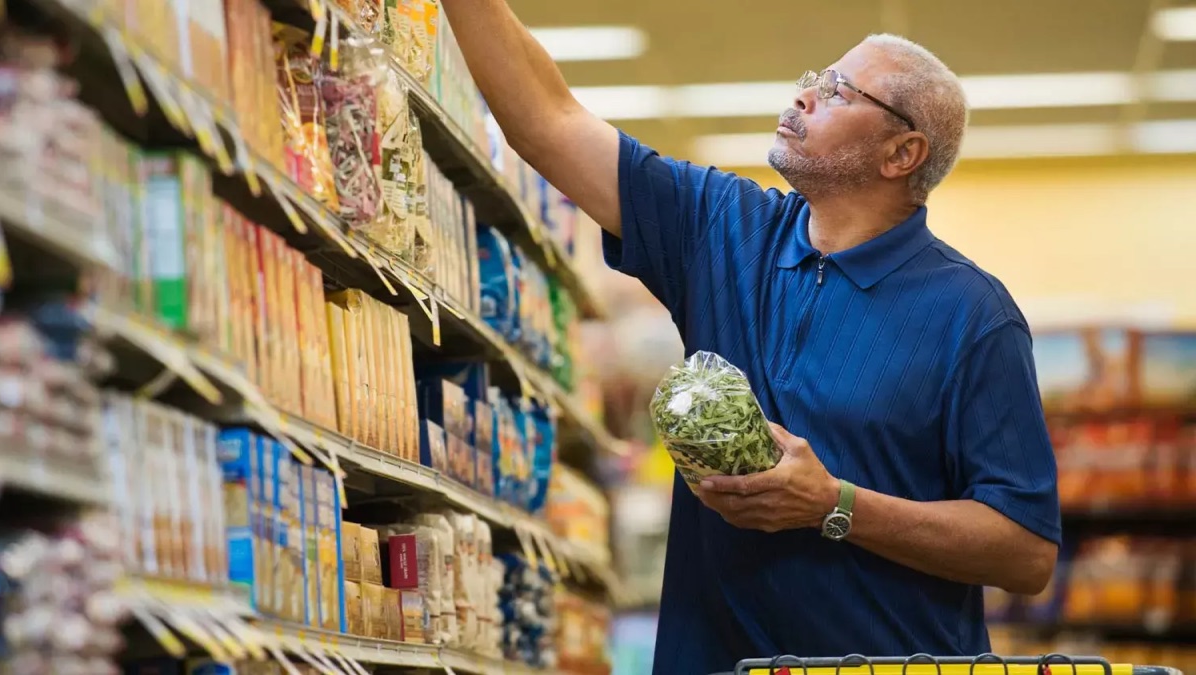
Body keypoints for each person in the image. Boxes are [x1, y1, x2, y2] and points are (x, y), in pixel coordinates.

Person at [437, 2, 1061, 671]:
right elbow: (548, 121)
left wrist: (835, 504)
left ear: (902, 153)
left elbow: (1025, 551)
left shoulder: (972, 313)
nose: (802, 95)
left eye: (836, 92)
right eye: (815, 78)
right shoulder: (723, 228)